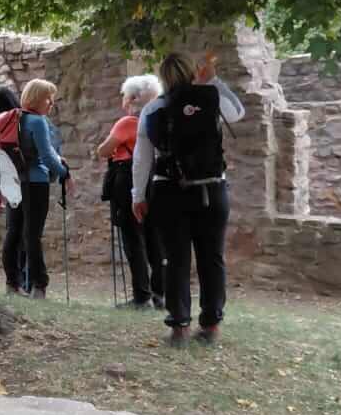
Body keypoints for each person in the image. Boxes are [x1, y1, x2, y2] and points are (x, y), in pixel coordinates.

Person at [132, 52, 245, 346]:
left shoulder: (154, 108)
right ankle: (211, 325)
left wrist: (138, 195)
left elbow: (142, 158)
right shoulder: (210, 99)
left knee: (176, 259)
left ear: (163, 77)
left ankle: (179, 326)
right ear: (192, 73)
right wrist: (214, 81)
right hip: (212, 189)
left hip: (170, 191)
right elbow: (238, 112)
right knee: (212, 258)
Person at [96, 74, 165, 310]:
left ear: (134, 98)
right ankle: (160, 294)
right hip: (154, 179)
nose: (123, 100)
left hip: (126, 179)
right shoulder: (157, 120)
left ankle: (141, 297)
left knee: (133, 238)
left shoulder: (127, 123)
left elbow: (104, 151)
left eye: (125, 96)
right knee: (154, 238)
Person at [1, 78, 68, 300]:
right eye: (48, 98)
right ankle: (39, 285)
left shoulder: (13, 118)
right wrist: (64, 173)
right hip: (35, 183)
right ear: (37, 98)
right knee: (32, 235)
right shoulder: (38, 122)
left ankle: (12, 283)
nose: (51, 103)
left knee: (13, 232)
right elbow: (47, 157)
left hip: (13, 182)